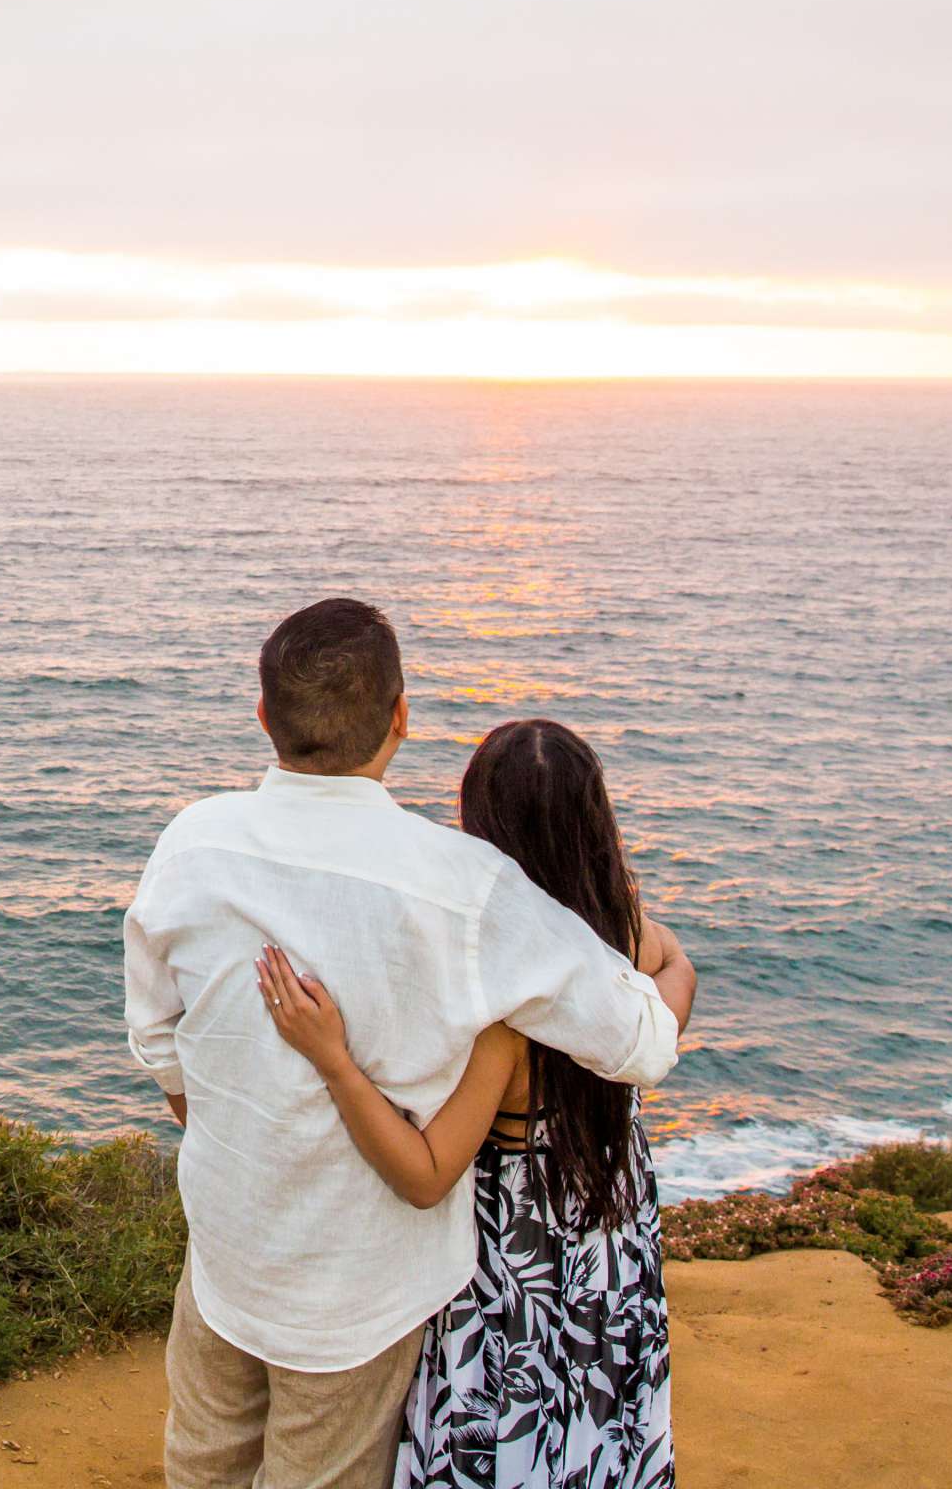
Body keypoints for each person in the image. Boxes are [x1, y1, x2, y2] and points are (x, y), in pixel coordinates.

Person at [124, 599, 697, 1489]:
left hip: (229, 1253)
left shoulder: (189, 843)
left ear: (264, 714)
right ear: (401, 716)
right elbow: (643, 1044)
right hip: (360, 1294)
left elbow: (161, 1047)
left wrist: (256, 1142)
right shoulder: (467, 891)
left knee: (201, 1467)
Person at [258, 719, 691, 1488]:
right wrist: (666, 982)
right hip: (608, 1225)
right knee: (598, 1407)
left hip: (514, 1245)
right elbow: (674, 978)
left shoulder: (504, 1012)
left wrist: (334, 1062)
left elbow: (425, 1177)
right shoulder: (621, 936)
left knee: (506, 1414)